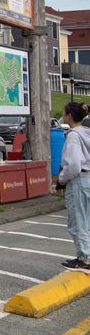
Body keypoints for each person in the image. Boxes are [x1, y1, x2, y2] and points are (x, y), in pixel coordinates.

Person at [58, 101, 90, 273]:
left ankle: (84, 258)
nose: (63, 114)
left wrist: (62, 178)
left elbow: (74, 164)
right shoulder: (87, 133)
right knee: (87, 220)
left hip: (78, 181)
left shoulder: (73, 136)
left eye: (64, 112)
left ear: (69, 116)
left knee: (77, 220)